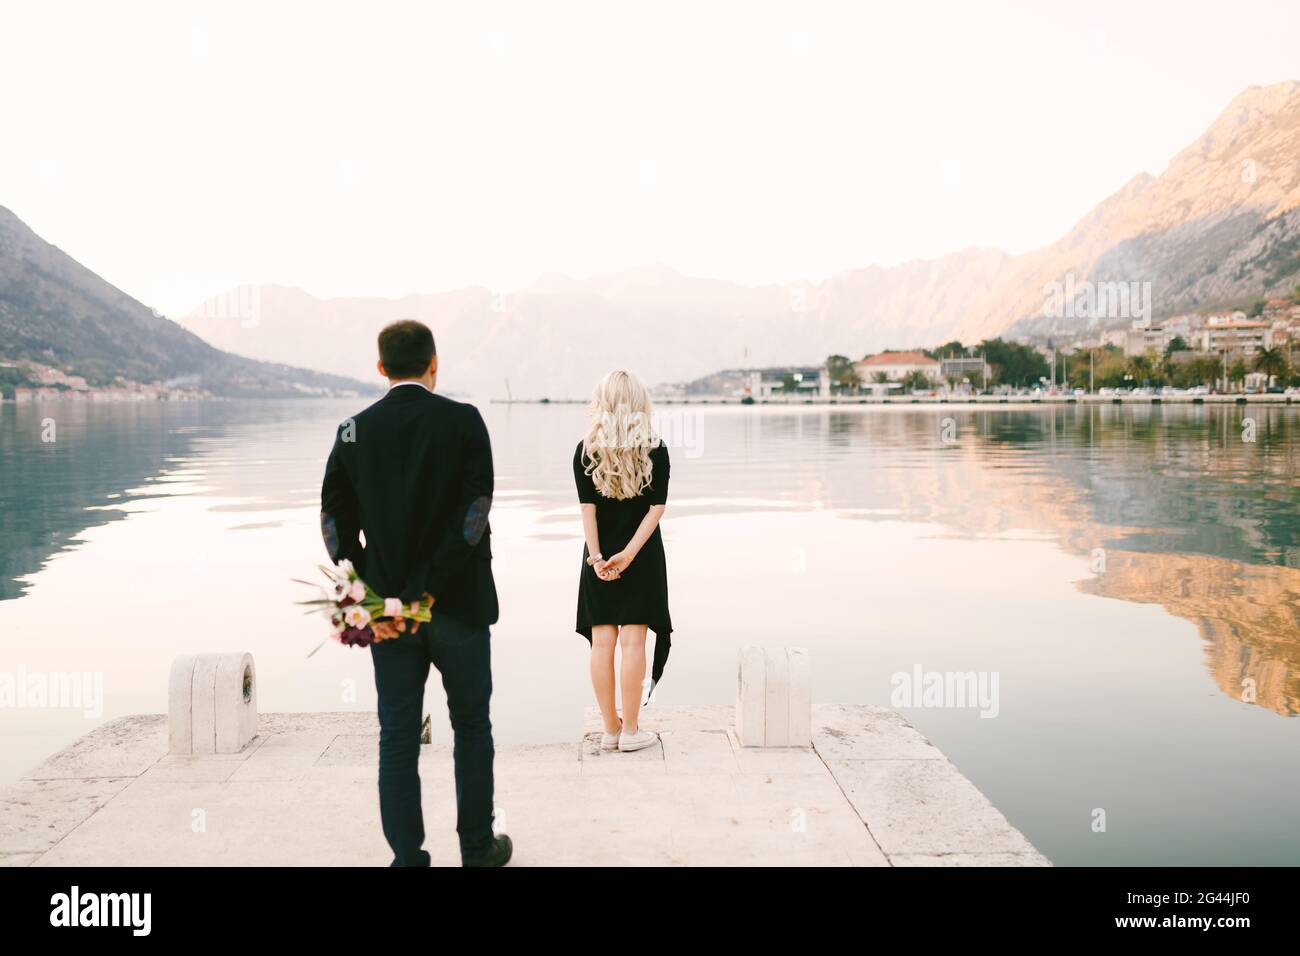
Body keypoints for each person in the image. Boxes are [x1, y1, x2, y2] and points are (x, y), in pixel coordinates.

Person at [321, 319, 511, 867]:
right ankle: (477, 847)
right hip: (459, 607)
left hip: (388, 614)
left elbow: (334, 522)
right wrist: (431, 585)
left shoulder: (352, 430)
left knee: (397, 734)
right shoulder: (464, 422)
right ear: (434, 363)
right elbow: (475, 514)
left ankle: (408, 858)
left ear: (381, 368)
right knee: (472, 725)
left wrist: (365, 585)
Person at [574, 369, 673, 753]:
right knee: (634, 642)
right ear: (638, 404)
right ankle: (632, 731)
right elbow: (656, 509)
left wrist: (597, 558)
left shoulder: (585, 450)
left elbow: (588, 511)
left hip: (597, 555)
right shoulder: (656, 447)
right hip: (642, 556)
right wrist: (629, 555)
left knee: (602, 643)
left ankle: (610, 730)